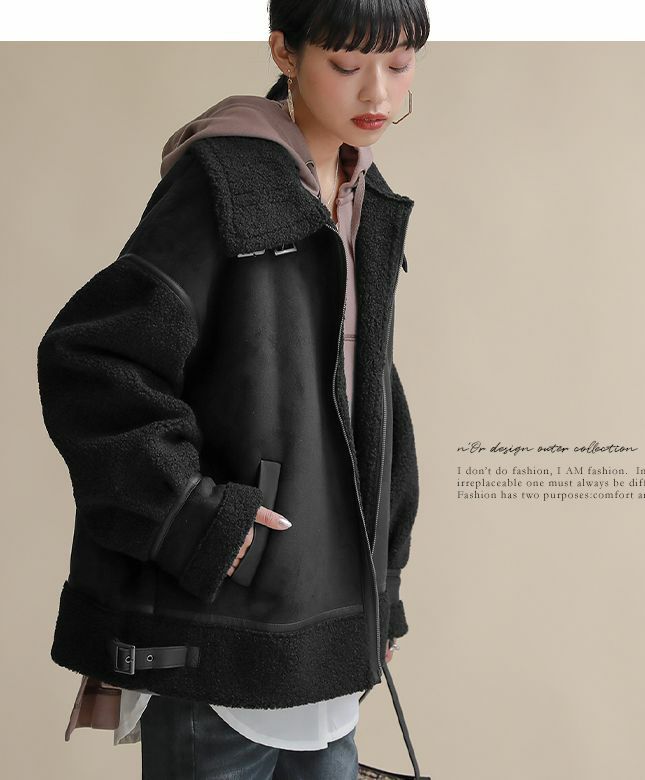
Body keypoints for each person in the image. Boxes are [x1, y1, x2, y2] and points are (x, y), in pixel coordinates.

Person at [37, 0, 430, 777]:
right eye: (348, 65)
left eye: (399, 63)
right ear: (284, 52)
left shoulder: (363, 195)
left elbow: (367, 397)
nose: (378, 94)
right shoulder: (225, 184)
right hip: (221, 636)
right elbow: (93, 360)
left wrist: (380, 589)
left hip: (326, 639)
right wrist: (196, 520)